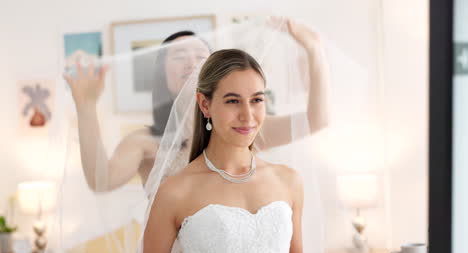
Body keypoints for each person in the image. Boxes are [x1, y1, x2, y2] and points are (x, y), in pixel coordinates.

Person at [63, 18, 328, 193]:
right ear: (162, 74)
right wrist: (86, 107)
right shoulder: (144, 143)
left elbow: (317, 120)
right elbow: (101, 181)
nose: (191, 63)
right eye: (179, 56)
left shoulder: (242, 127)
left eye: (200, 56)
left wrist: (314, 50)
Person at [143, 48, 305, 253]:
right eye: (232, 101)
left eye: (256, 100)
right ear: (205, 104)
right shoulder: (174, 192)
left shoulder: (288, 180)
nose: (248, 116)